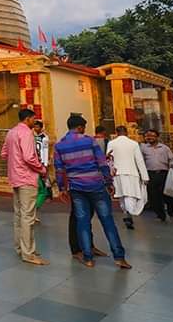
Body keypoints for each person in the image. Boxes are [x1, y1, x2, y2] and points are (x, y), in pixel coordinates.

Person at [54, 114, 131, 269]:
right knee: (107, 221)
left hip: (76, 188)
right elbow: (102, 163)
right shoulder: (89, 141)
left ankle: (88, 257)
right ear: (80, 127)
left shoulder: (59, 145)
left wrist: (62, 188)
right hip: (95, 185)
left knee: (82, 222)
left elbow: (59, 169)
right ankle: (119, 257)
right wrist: (108, 181)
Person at [2, 108, 48, 266]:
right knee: (28, 217)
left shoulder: (11, 132)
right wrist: (42, 169)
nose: (34, 122)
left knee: (18, 216)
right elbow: (29, 157)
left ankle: (21, 248)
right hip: (27, 178)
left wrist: (14, 162)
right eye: (33, 119)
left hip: (15, 177)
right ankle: (28, 253)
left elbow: (4, 153)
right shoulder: (27, 133)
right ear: (28, 119)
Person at [106, 126, 149, 229]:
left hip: (117, 173)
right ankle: (130, 212)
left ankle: (126, 212)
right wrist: (145, 176)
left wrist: (109, 175)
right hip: (131, 172)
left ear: (116, 132)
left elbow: (109, 160)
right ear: (126, 132)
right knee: (130, 194)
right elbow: (139, 160)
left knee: (121, 195)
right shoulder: (133, 144)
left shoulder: (111, 143)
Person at [141, 129, 173, 221]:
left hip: (164, 174)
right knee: (154, 196)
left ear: (157, 137)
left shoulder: (164, 148)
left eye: (152, 136)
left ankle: (171, 210)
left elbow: (172, 159)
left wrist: (172, 165)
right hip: (150, 174)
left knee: (167, 194)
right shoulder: (143, 148)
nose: (150, 138)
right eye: (148, 136)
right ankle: (160, 215)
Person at [32, 120, 50, 211]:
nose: (36, 129)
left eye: (37, 127)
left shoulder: (44, 137)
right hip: (35, 163)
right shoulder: (32, 136)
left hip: (41, 163)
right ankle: (34, 209)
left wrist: (45, 163)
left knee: (43, 184)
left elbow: (45, 151)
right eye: (35, 127)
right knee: (41, 188)